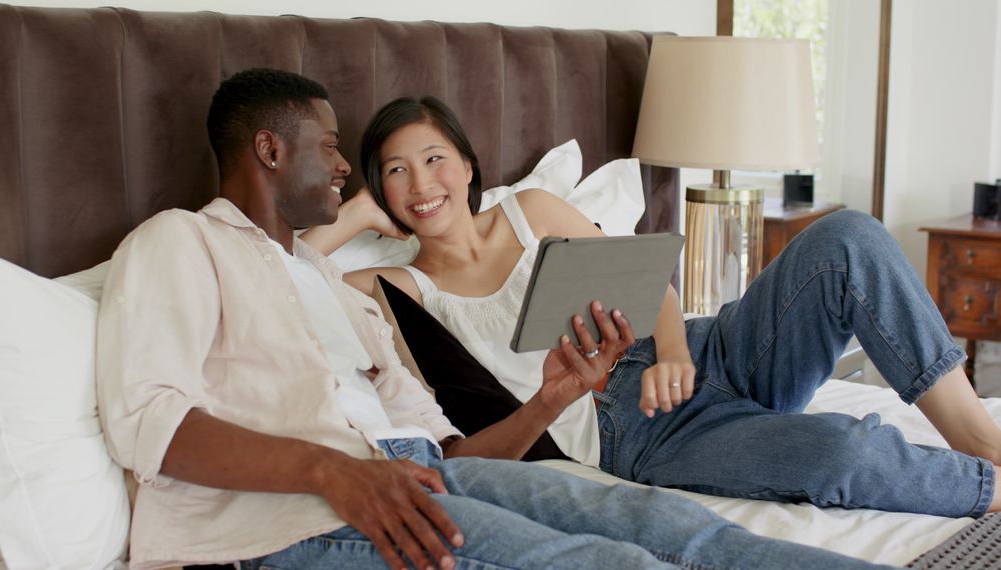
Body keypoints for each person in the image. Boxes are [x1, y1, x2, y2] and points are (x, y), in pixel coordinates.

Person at [95, 69, 890, 570]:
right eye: (333, 148)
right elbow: (148, 421)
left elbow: (448, 448)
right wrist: (331, 471)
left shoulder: (329, 287)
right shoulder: (180, 241)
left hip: (424, 471)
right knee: (595, 561)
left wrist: (551, 400)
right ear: (269, 150)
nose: (345, 168)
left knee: (654, 518)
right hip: (294, 517)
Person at [302, 94, 1001, 520]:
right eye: (395, 171)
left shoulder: (531, 212)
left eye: (433, 158)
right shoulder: (397, 294)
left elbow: (647, 282)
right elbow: (286, 276)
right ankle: (983, 488)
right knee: (839, 456)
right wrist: (356, 216)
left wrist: (672, 353)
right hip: (635, 432)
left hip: (700, 352)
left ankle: (980, 441)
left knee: (848, 237)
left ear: (466, 163)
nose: (421, 183)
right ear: (382, 191)